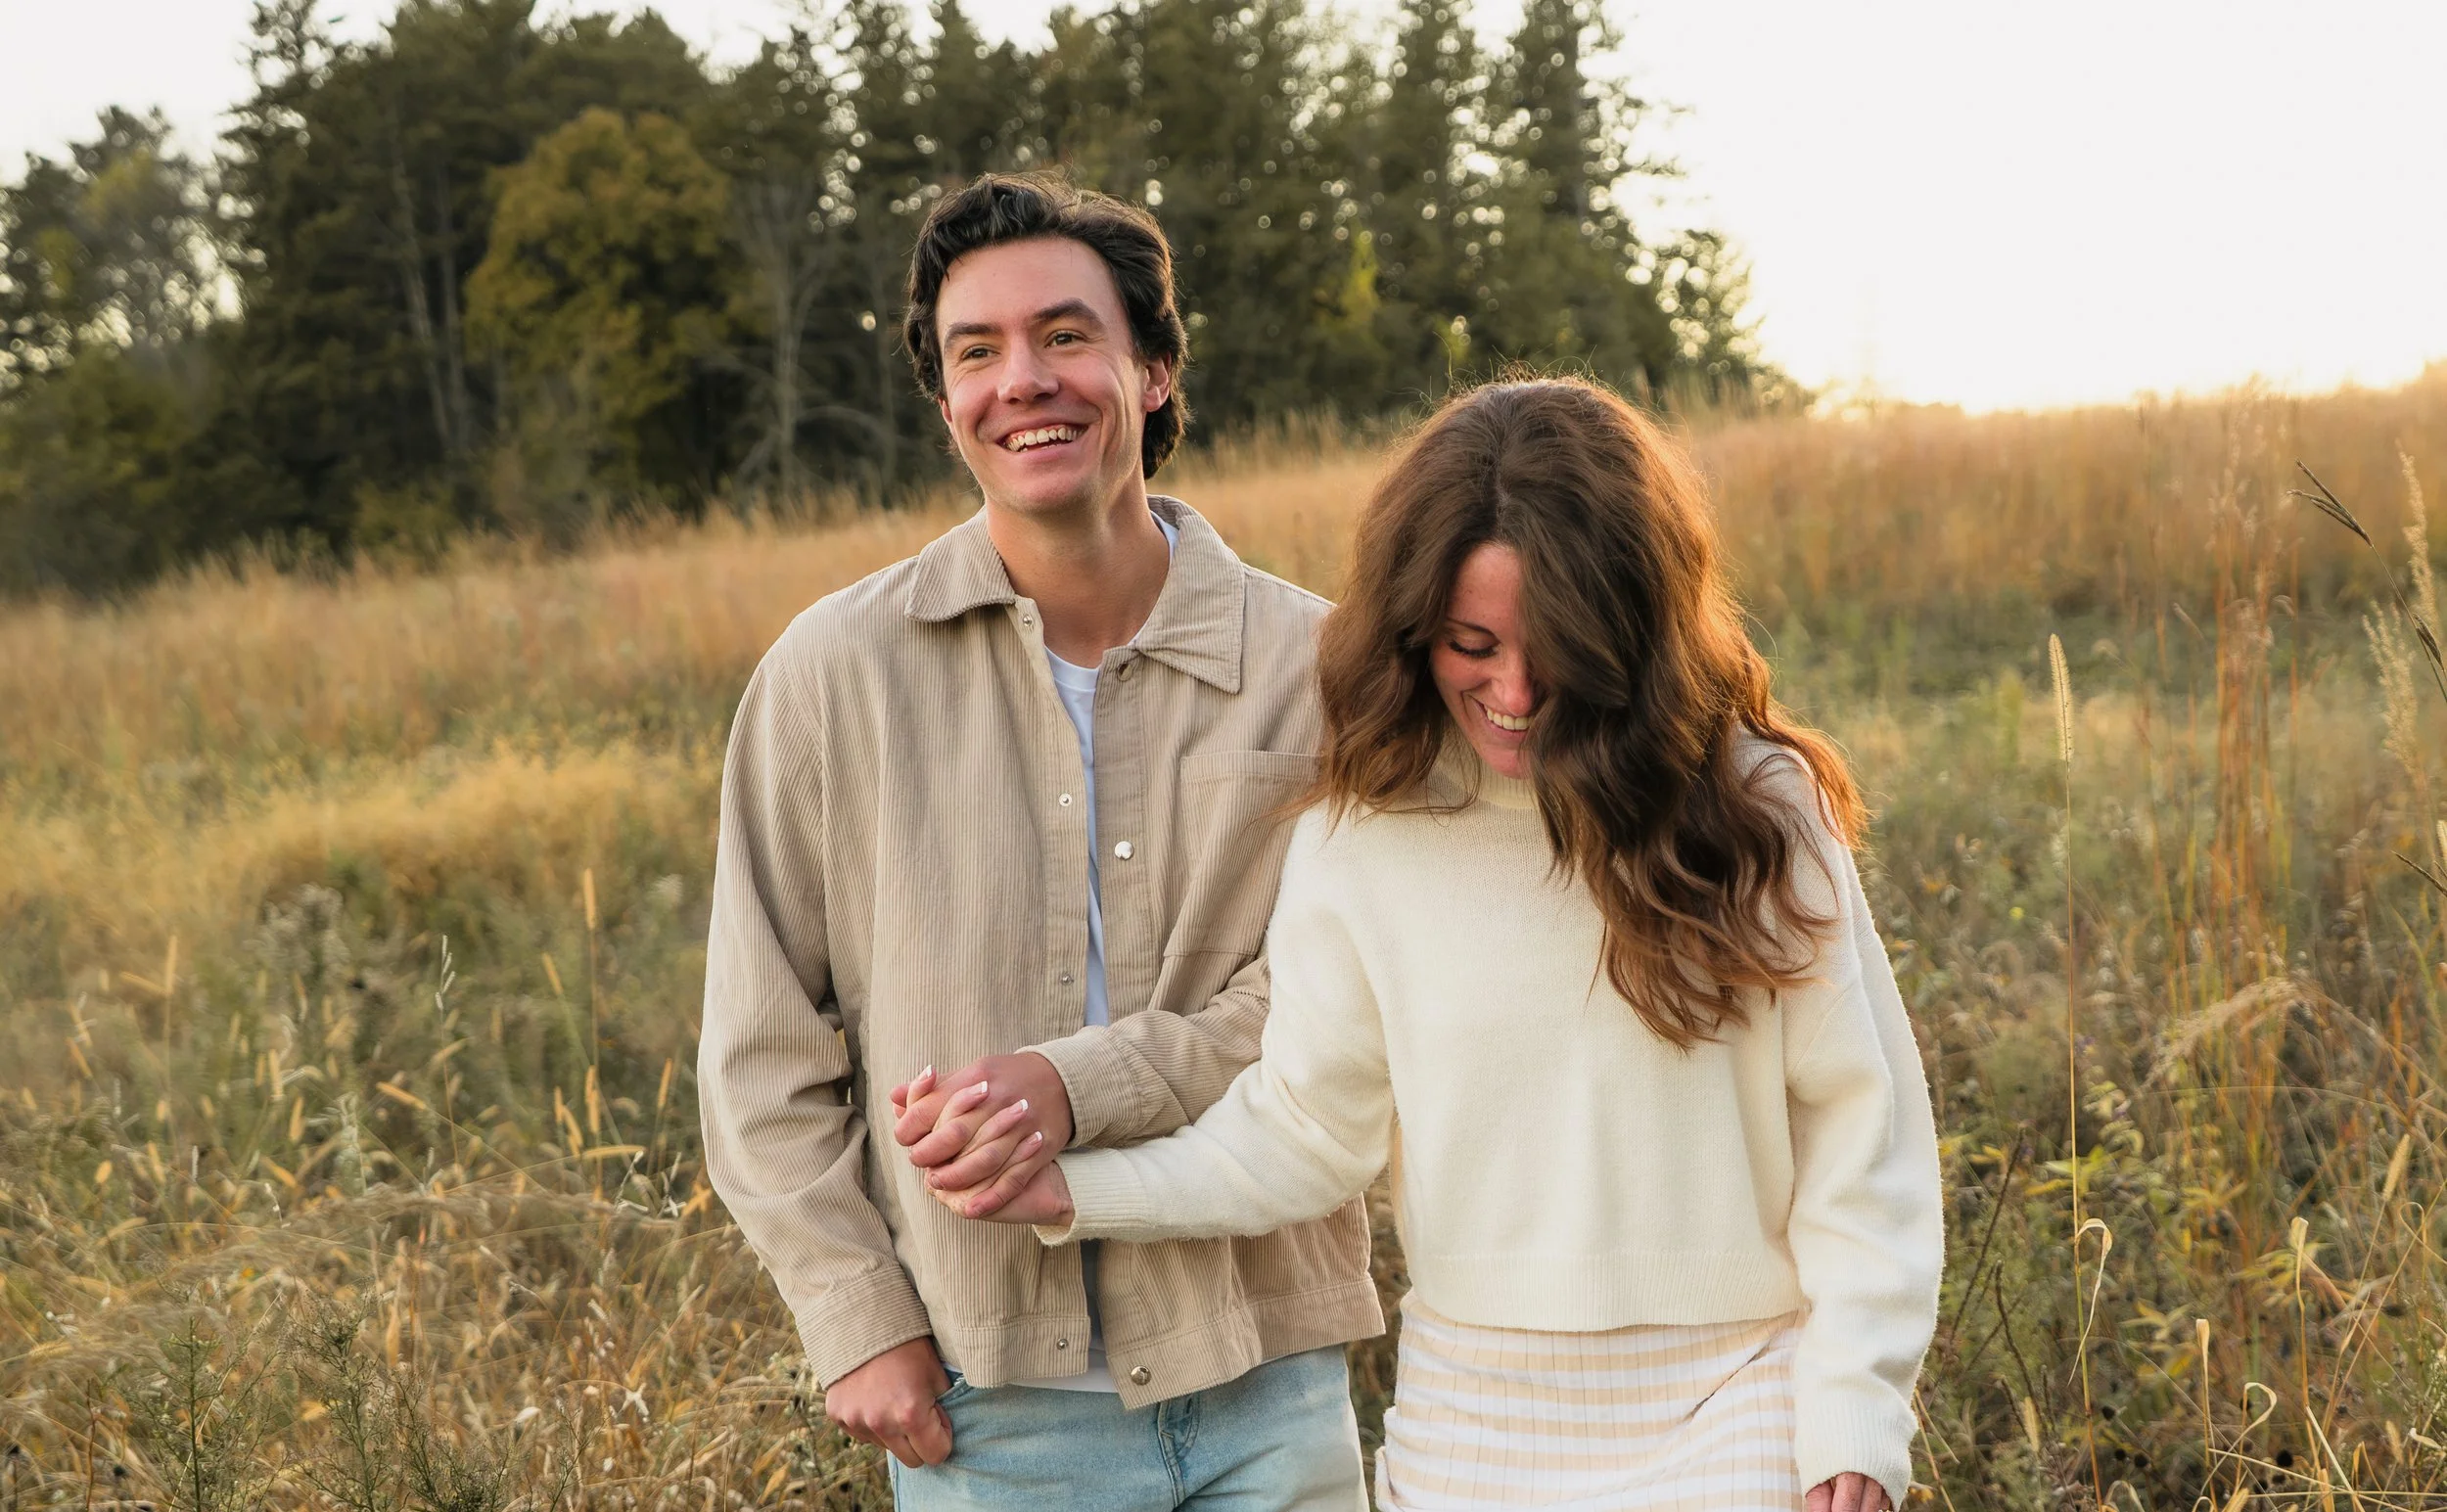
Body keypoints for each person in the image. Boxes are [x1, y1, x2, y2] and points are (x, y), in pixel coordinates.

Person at [917, 378, 1945, 1511]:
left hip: (1740, 1398)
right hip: (1469, 1416)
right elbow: (1305, 1134)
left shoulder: (1757, 806)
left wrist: (1855, 1412)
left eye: (1557, 650)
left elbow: (1864, 1136)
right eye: (1471, 645)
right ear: (1413, 631)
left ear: (1630, 630)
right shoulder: (1365, 833)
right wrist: (1074, 1192)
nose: (1514, 691)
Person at [696, 172, 1381, 1510]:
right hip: (988, 1409)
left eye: (1066, 336)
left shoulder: (1322, 666)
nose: (1023, 381)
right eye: (977, 352)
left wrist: (1076, 1088)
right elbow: (759, 1048)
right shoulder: (831, 675)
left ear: (1155, 370)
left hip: (1271, 1375)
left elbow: (1348, 1002)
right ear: (945, 400)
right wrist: (855, 1315)